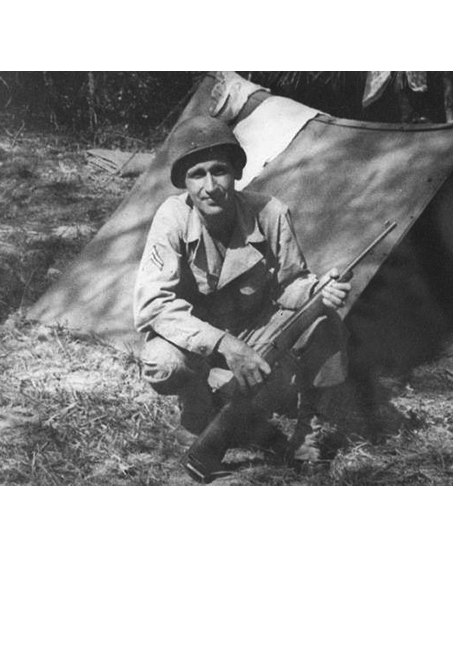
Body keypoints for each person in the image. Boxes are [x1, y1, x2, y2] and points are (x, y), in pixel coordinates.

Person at [133, 115, 351, 469]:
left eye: (219, 171)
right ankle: (197, 411)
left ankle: (306, 434)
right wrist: (225, 345)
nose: (210, 186)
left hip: (255, 333)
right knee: (163, 363)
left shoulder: (269, 212)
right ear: (185, 182)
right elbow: (155, 305)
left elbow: (291, 284)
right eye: (197, 174)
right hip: (198, 341)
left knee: (324, 321)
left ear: (235, 172)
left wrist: (318, 289)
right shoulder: (172, 218)